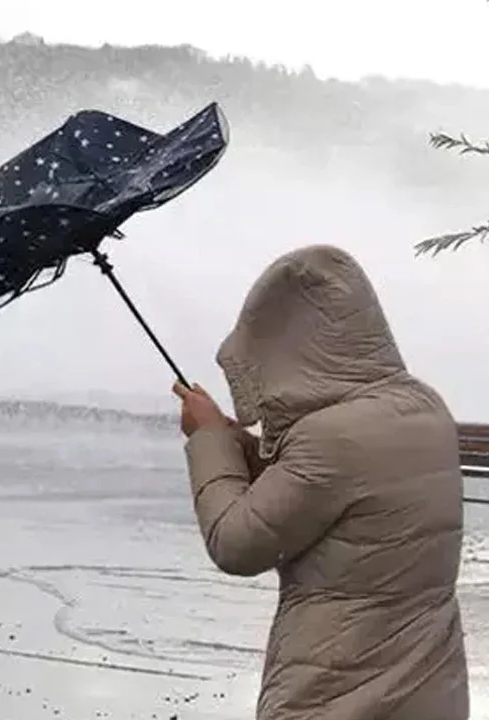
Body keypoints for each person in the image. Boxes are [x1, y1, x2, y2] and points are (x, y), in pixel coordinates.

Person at [173, 244, 468, 720]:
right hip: (428, 687)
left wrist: (208, 439)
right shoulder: (423, 407)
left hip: (338, 689)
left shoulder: (330, 437)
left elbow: (236, 544)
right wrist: (236, 442)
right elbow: (326, 495)